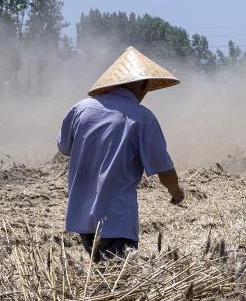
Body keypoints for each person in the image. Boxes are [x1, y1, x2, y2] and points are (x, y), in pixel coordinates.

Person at [57, 46, 184, 261]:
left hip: (82, 218)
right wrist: (176, 191)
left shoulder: (80, 109)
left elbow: (64, 148)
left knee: (100, 277)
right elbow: (163, 168)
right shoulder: (143, 118)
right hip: (116, 220)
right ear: (144, 84)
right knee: (117, 284)